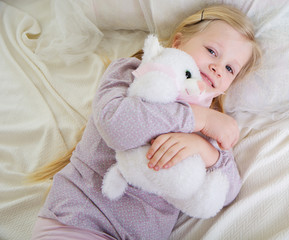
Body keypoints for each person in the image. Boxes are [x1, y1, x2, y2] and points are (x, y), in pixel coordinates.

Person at [30, 4, 261, 240]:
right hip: (79, 221)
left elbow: (228, 191)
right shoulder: (133, 74)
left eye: (230, 68)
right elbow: (116, 126)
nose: (217, 67)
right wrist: (196, 118)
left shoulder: (212, 128)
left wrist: (204, 149)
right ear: (179, 43)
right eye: (212, 51)